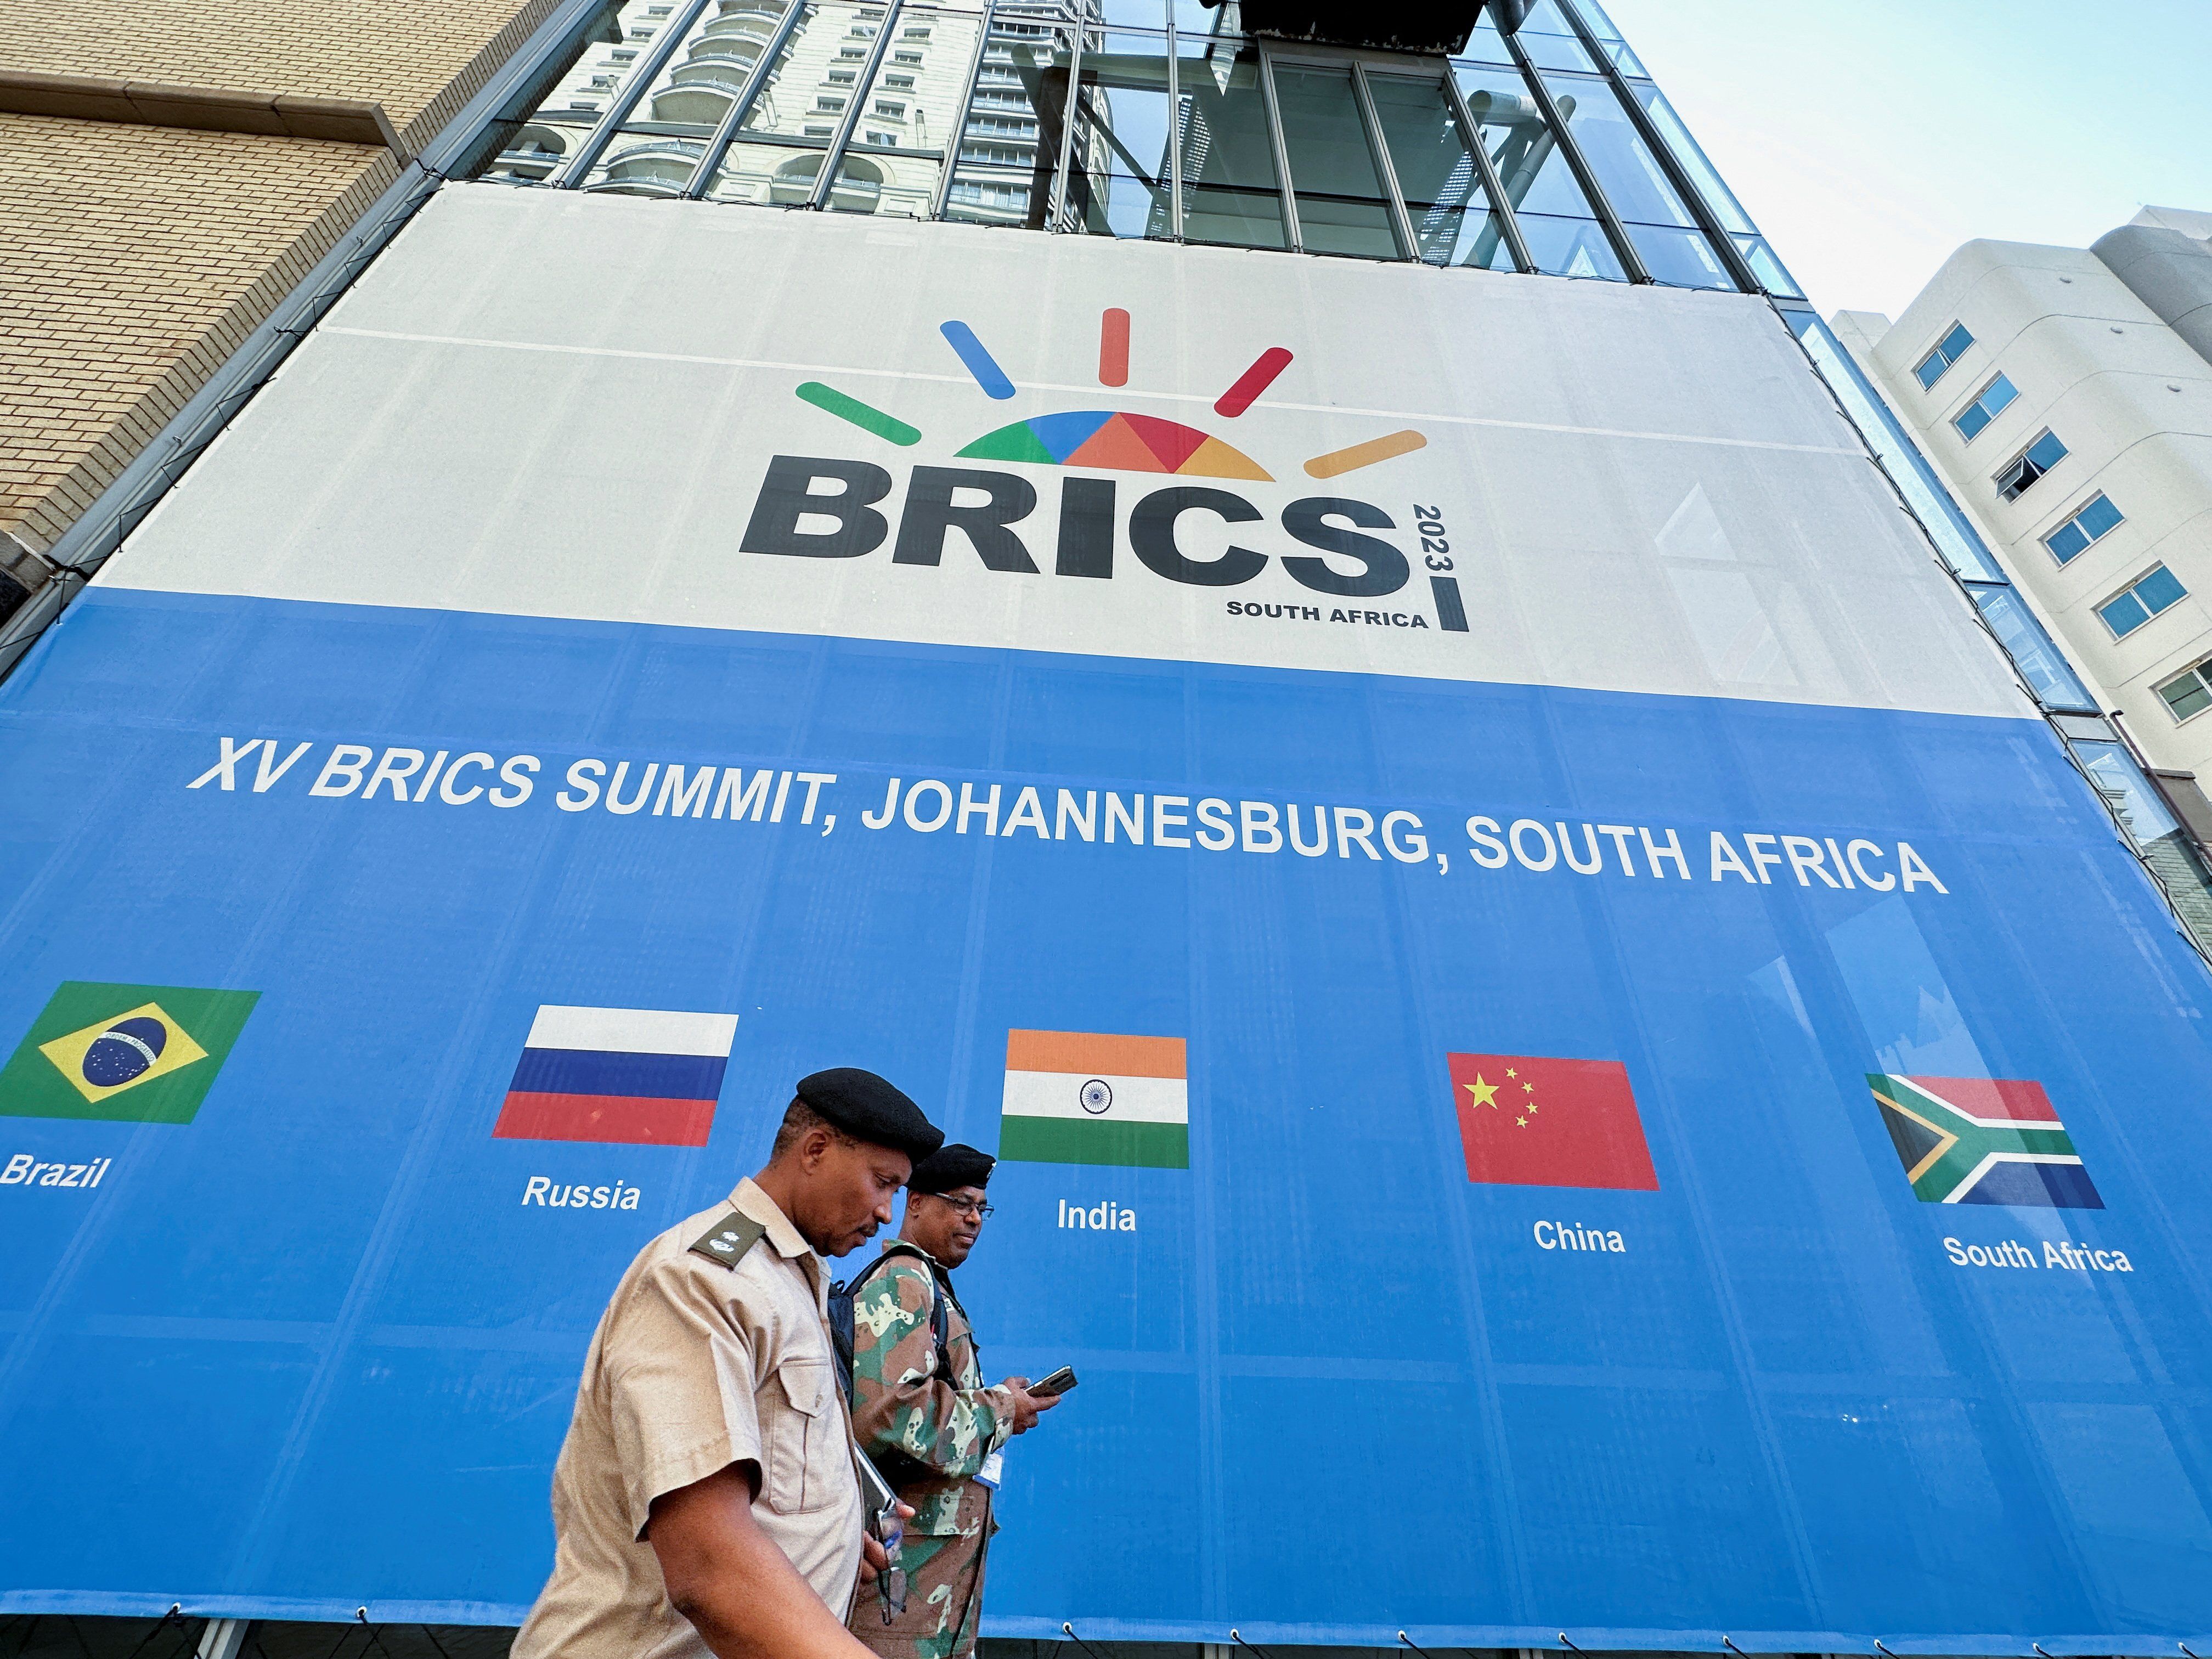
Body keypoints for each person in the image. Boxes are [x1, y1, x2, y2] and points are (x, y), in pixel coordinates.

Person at [512, 1067, 945, 1659]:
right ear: (816, 1150)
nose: (888, 1214)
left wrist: (835, 1530)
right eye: (882, 1183)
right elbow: (708, 1564)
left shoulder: (789, 1280)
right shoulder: (706, 1279)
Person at [843, 1143, 1059, 1659]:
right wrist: (1004, 1409)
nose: (974, 1219)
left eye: (981, 1208)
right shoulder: (903, 1280)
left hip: (929, 1592)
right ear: (915, 1202)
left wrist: (1001, 1404)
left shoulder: (930, 1287)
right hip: (898, 1590)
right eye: (961, 1202)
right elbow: (890, 1416)